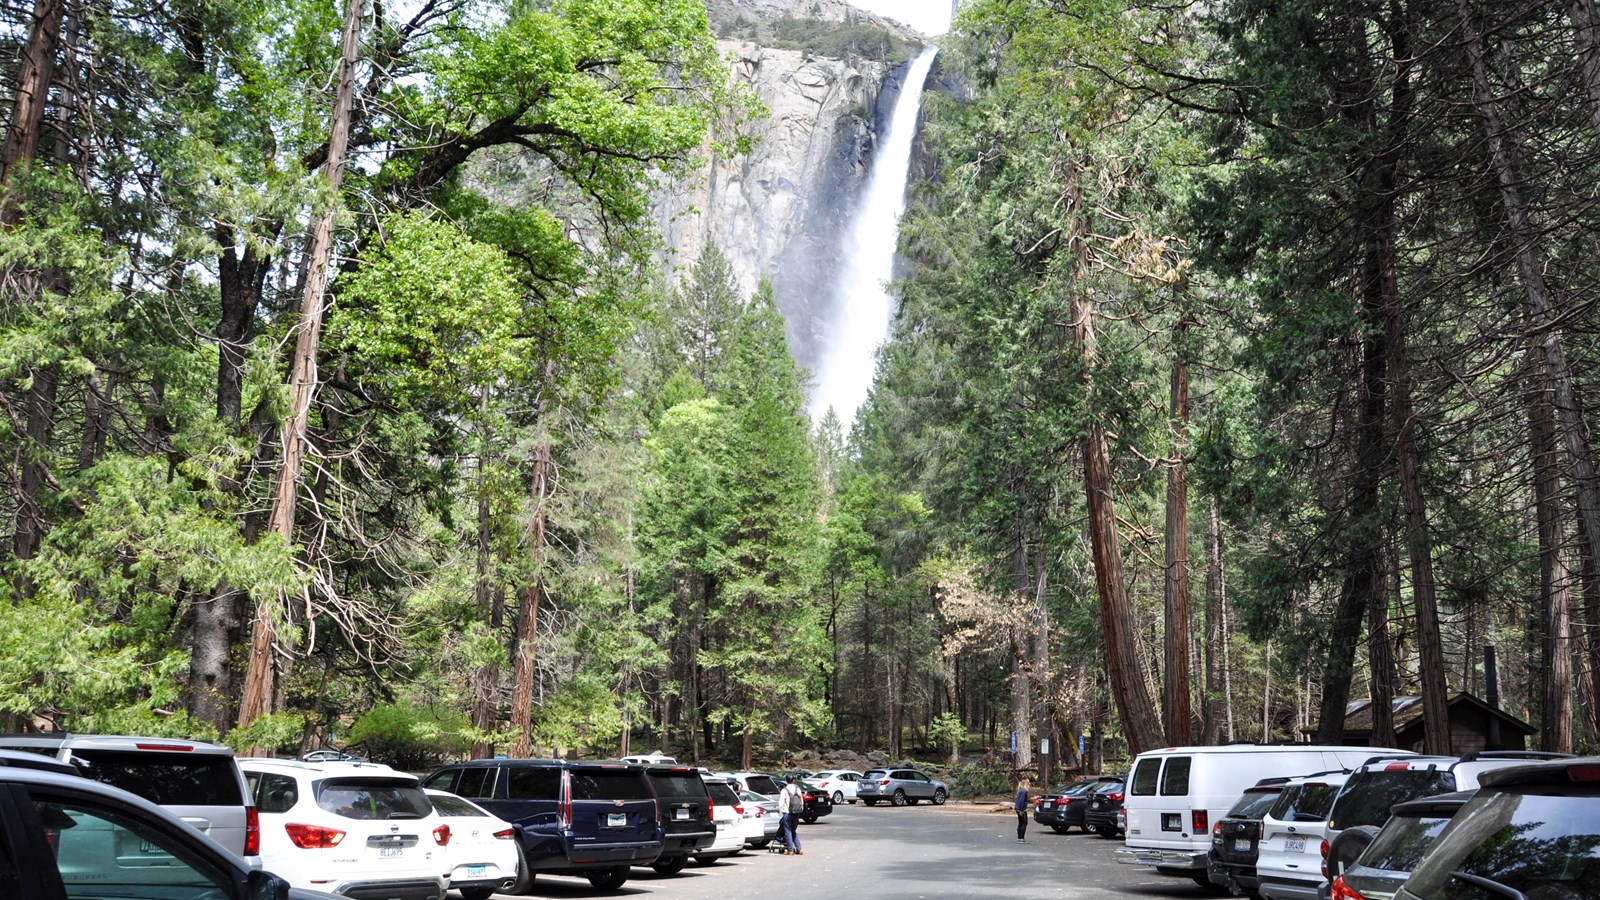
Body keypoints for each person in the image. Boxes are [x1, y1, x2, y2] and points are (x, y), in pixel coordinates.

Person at [778, 775, 806, 855]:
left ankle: (790, 849)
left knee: (788, 831)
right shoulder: (798, 789)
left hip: (787, 813)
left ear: (786, 781)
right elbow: (801, 801)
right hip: (796, 813)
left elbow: (781, 802)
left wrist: (781, 811)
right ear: (793, 780)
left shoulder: (784, 790)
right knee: (793, 831)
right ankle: (799, 848)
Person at [1014, 776, 1032, 842]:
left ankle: (1019, 837)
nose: (1029, 784)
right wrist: (1022, 810)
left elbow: (1022, 800)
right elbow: (1021, 801)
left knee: (1020, 823)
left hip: (1018, 808)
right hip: (1022, 809)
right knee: (1024, 823)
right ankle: (1021, 837)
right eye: (1028, 783)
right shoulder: (1024, 791)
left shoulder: (1020, 790)